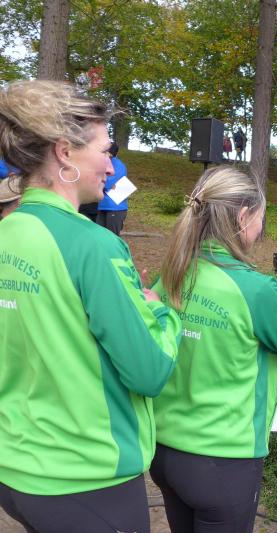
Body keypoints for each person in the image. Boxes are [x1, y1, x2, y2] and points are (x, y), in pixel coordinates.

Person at [0, 80, 182, 532]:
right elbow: (149, 370)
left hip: (16, 468)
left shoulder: (8, 231)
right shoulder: (94, 245)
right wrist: (162, 312)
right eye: (106, 150)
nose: (112, 166)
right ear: (65, 152)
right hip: (87, 478)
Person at [150, 166, 277, 533]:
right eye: (260, 218)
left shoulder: (173, 271)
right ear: (242, 217)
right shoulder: (255, 290)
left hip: (164, 452)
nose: (260, 227)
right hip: (224, 461)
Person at [96, 142, 129, 235]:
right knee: (99, 236)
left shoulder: (118, 165)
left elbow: (107, 183)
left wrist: (98, 182)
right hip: (102, 206)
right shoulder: (103, 162)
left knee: (112, 236)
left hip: (115, 208)